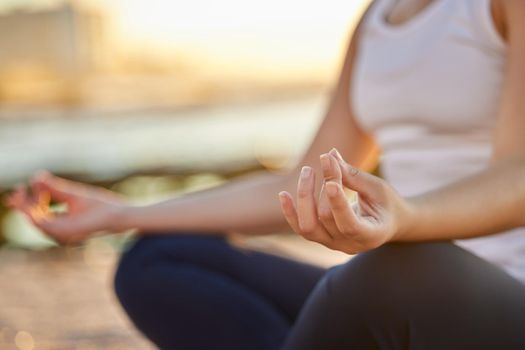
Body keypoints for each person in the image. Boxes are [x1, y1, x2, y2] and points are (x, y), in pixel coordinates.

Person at [6, 0, 525, 348]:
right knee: (158, 259)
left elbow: (517, 175)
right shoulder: (376, 19)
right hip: (396, 282)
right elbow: (302, 177)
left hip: (495, 295)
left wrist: (405, 218)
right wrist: (121, 213)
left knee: (392, 272)